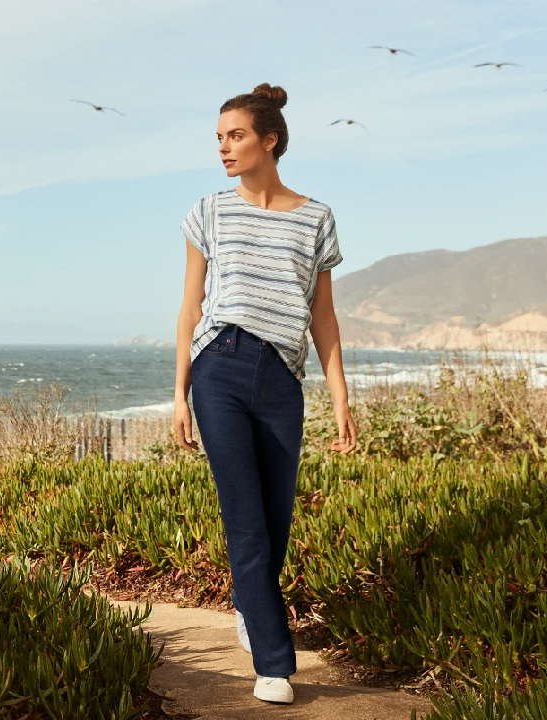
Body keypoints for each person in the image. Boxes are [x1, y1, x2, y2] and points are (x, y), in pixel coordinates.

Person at [171, 82, 357, 705]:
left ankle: (250, 605)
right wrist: (179, 394)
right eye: (219, 138)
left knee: (276, 520)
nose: (224, 148)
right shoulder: (209, 211)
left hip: (281, 378)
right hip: (219, 366)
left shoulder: (316, 218)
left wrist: (340, 399)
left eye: (236, 135)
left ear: (269, 139)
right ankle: (274, 663)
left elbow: (322, 317)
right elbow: (190, 304)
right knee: (245, 519)